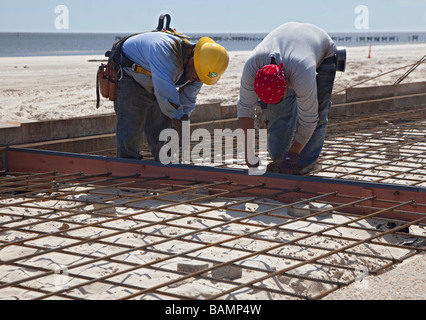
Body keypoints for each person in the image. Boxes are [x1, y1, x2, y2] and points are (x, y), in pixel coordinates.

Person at [237, 22, 344, 174]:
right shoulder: (251, 67)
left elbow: (309, 120)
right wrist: (248, 153)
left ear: (286, 86)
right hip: (293, 49)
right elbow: (245, 110)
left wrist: (293, 154)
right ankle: (279, 161)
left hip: (322, 53)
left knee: (318, 112)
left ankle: (304, 167)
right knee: (279, 113)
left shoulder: (302, 72)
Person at [114, 31, 229, 161]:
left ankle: (166, 165)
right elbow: (165, 95)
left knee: (163, 131)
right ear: (192, 60)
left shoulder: (202, 70)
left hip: (156, 79)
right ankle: (127, 165)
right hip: (130, 76)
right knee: (131, 130)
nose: (197, 80)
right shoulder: (167, 53)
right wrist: (178, 119)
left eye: (201, 78)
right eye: (198, 75)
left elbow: (187, 101)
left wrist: (182, 122)